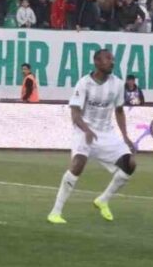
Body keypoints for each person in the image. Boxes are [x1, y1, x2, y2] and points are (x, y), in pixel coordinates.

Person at [47, 49, 136, 224]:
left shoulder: (117, 84)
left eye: (112, 59)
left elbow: (119, 110)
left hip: (106, 133)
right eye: (108, 59)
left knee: (130, 164)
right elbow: (75, 113)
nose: (112, 62)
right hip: (84, 130)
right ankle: (55, 212)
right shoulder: (84, 83)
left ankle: (103, 200)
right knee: (78, 163)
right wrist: (86, 130)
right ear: (97, 62)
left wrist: (125, 136)